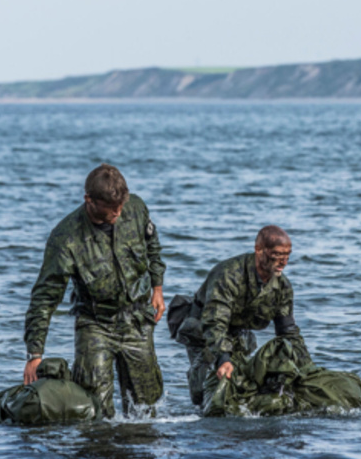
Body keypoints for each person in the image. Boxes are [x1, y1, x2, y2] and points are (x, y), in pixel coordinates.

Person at [23, 163, 167, 418]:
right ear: (89, 200)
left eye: (121, 206)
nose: (118, 213)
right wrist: (35, 353)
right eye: (112, 209)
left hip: (137, 320)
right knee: (96, 412)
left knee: (147, 410)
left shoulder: (135, 207)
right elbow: (45, 297)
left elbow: (153, 246)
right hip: (95, 325)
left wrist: (157, 287)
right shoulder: (66, 237)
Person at [172, 225, 308, 405]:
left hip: (238, 332)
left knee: (241, 385)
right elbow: (214, 322)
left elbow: (288, 331)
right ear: (259, 250)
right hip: (203, 328)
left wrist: (307, 368)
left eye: (287, 255)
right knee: (208, 384)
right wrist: (223, 359)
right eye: (277, 255)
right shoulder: (228, 274)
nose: (283, 262)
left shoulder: (282, 287)